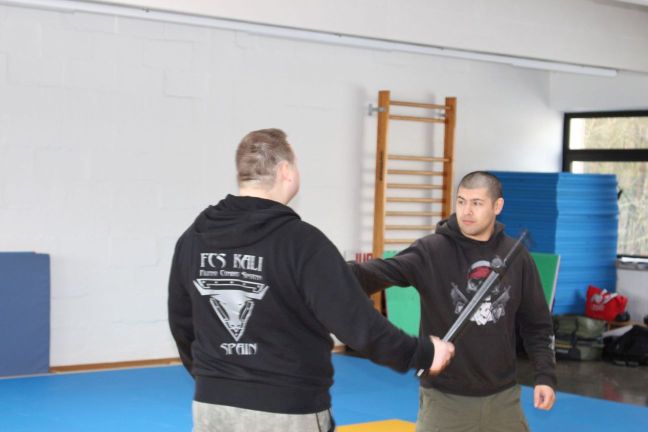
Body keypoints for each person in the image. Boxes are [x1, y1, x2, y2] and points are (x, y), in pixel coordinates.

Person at [168, 128, 455, 432]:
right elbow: (357, 323)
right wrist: (422, 353)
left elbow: (182, 323)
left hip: (213, 409)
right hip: (286, 409)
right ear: (286, 171)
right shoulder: (302, 243)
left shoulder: (193, 239)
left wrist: (216, 379)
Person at [349, 171, 556, 432]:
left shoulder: (517, 257)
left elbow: (537, 324)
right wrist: (325, 273)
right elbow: (378, 272)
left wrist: (545, 375)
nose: (466, 211)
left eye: (476, 203)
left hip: (504, 399)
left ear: (497, 206)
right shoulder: (431, 251)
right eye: (461, 201)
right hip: (445, 401)